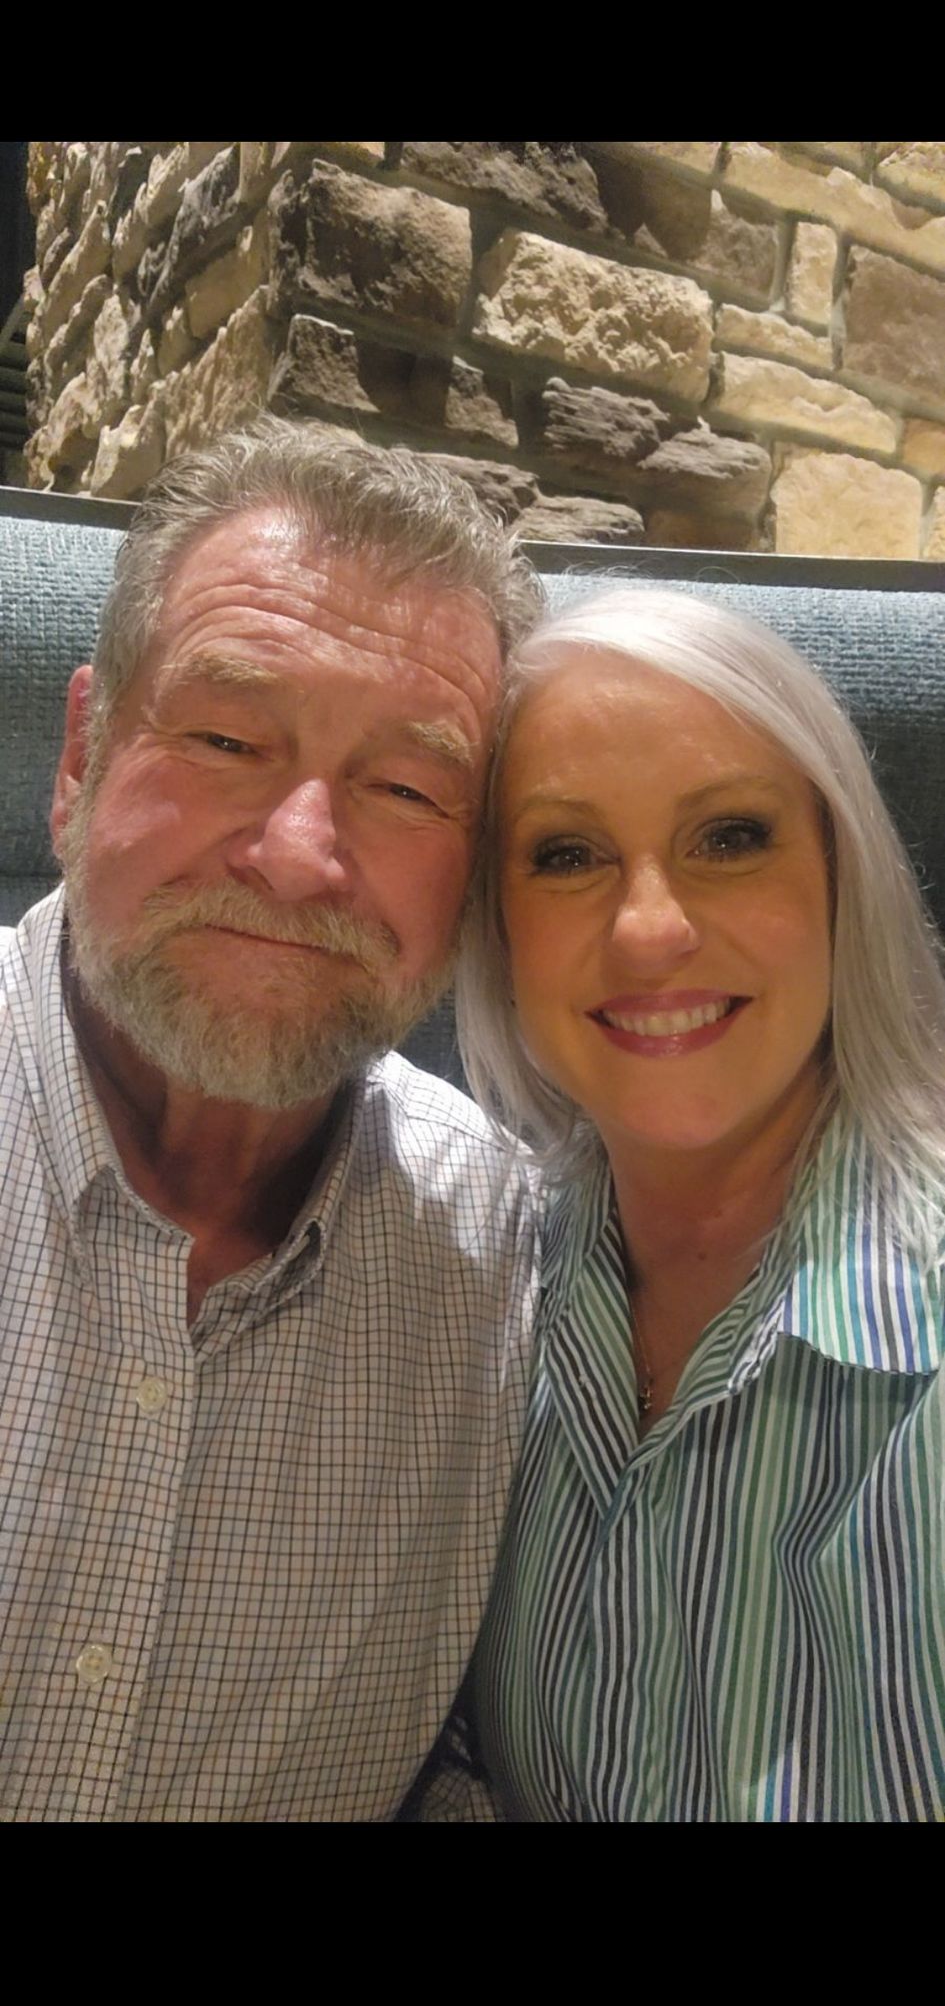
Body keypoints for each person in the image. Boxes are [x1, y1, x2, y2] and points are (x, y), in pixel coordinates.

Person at [0, 414, 544, 1823]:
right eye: (229, 737)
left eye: (409, 788)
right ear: (80, 756)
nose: (300, 857)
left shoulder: (525, 1268)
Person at [451, 583, 945, 1822]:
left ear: (843, 877)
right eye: (566, 854)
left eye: (729, 835)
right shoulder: (467, 1288)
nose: (649, 928)